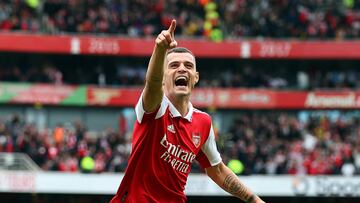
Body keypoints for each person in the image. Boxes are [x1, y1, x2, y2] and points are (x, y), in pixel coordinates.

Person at [110, 20, 265, 203]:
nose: (182, 68)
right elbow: (152, 84)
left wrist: (253, 199)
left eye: (188, 66)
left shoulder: (203, 122)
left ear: (196, 78)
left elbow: (218, 170)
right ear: (164, 76)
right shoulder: (155, 107)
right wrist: (160, 50)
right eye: (174, 65)